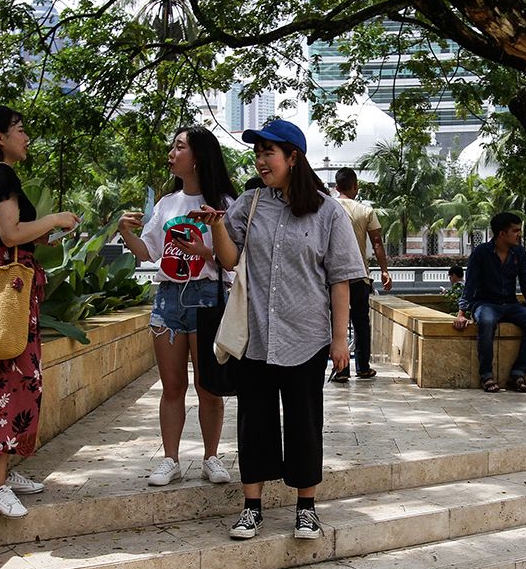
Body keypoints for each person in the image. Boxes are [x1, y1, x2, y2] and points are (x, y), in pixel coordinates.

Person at [201, 119, 365, 540]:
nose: (260, 161)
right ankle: (251, 507)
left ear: (293, 157)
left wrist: (340, 338)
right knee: (254, 421)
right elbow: (230, 259)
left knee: (304, 422)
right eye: (257, 153)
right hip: (254, 334)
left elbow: (340, 278)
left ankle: (306, 507)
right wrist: (218, 225)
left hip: (306, 335)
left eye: (268, 152)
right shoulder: (250, 202)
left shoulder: (328, 212)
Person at [0, 104, 80, 518]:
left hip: (1, 287)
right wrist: (53, 217)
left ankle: (1, 475)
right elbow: (10, 233)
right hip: (9, 289)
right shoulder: (2, 174)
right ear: (0, 137)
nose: (26, 137)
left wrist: (44, 236)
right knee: (14, 379)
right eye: (20, 130)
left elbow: (10, 236)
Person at [118, 126, 237, 486]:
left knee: (208, 386)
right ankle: (170, 458)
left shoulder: (224, 204)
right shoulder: (167, 204)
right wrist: (125, 233)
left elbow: (232, 260)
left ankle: (211, 457)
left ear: (197, 156)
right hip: (169, 298)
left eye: (179, 147)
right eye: (173, 146)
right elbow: (148, 253)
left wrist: (205, 252)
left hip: (208, 296)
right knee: (171, 387)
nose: (172, 153)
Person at [453, 212, 526, 393]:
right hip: (485, 303)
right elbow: (471, 283)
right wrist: (462, 313)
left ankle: (517, 374)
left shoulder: (519, 253)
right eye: (515, 231)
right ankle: (486, 375)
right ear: (502, 234)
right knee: (487, 321)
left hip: (510, 304)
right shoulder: (481, 253)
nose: (519, 235)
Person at [331, 167, 392, 381]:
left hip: (331, 277)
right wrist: (384, 271)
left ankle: (341, 370)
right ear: (355, 187)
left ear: (336, 187)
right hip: (358, 275)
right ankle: (363, 366)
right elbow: (376, 243)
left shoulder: (327, 208)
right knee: (360, 323)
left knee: (334, 322)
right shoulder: (365, 211)